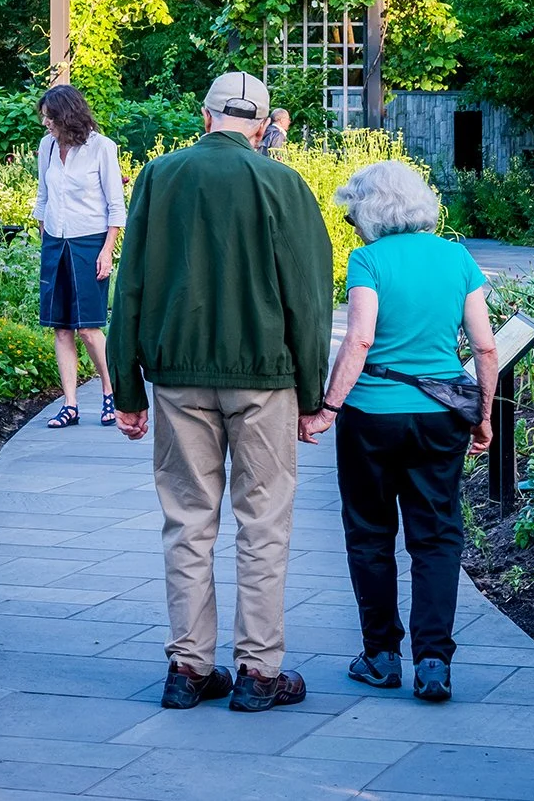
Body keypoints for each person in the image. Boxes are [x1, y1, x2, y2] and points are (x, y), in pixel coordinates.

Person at [109, 72, 334, 714]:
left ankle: (188, 667)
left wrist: (127, 388)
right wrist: (314, 398)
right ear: (261, 126)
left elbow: (131, 287)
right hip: (265, 379)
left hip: (178, 379)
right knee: (262, 523)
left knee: (186, 520)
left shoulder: (159, 176)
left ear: (205, 116)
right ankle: (259, 673)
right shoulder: (283, 182)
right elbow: (310, 298)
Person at [301, 159, 499, 705]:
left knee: (369, 533)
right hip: (440, 418)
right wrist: (483, 415)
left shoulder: (368, 260)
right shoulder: (457, 257)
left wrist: (328, 408)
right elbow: (484, 345)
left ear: (367, 212)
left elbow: (359, 340)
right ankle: (433, 662)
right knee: (436, 535)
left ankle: (382, 655)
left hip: (371, 419)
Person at [33, 85, 125, 429]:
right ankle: (69, 404)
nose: (45, 123)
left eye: (50, 116)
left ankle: (110, 392)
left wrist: (107, 251)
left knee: (88, 327)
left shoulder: (102, 148)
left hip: (90, 242)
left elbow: (116, 205)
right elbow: (42, 195)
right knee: (60, 328)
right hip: (55, 241)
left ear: (67, 116)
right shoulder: (47, 147)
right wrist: (44, 237)